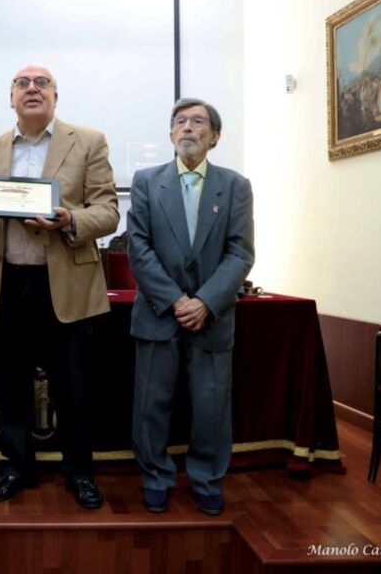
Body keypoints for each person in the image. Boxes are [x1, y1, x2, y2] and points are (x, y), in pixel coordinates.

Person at [0, 64, 119, 509]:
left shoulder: (88, 141)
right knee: (9, 386)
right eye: (22, 83)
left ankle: (80, 472)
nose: (32, 89)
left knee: (75, 387)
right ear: (11, 97)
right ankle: (17, 467)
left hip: (66, 284)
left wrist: (69, 219)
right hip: (9, 282)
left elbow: (108, 211)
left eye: (42, 83)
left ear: (55, 96)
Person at [127, 98, 255, 516]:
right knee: (151, 404)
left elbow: (240, 252)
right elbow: (138, 248)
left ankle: (207, 480)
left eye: (198, 122)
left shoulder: (235, 186)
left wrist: (205, 302)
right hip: (158, 314)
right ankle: (155, 477)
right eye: (179, 121)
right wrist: (176, 300)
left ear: (215, 136)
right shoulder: (146, 181)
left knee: (211, 407)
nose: (187, 127)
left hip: (212, 318)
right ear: (170, 134)